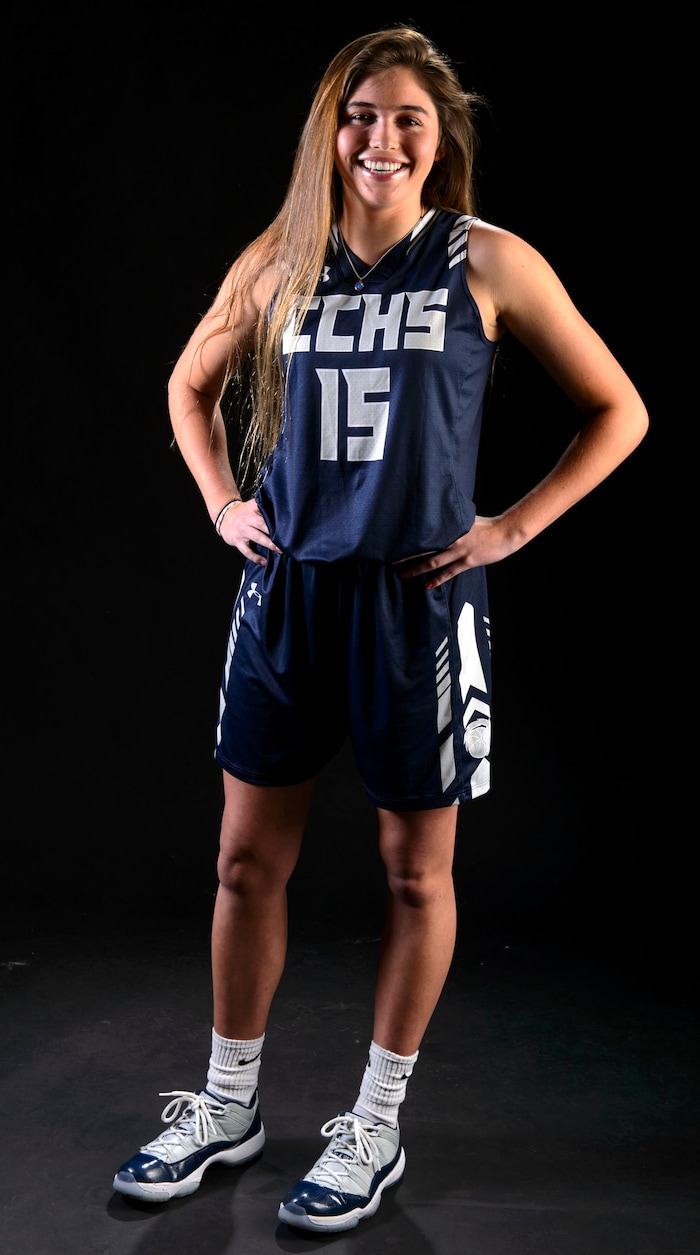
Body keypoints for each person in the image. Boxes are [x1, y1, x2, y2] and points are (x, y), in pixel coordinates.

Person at [112, 24, 648, 1233]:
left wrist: (511, 526)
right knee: (246, 861)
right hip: (290, 596)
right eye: (360, 114)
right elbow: (186, 386)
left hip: (418, 603)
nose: (381, 137)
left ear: (439, 137)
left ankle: (374, 1124)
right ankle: (228, 1103)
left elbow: (620, 410)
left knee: (416, 872)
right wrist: (221, 502)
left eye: (408, 117)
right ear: (329, 129)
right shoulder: (280, 259)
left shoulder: (487, 261)